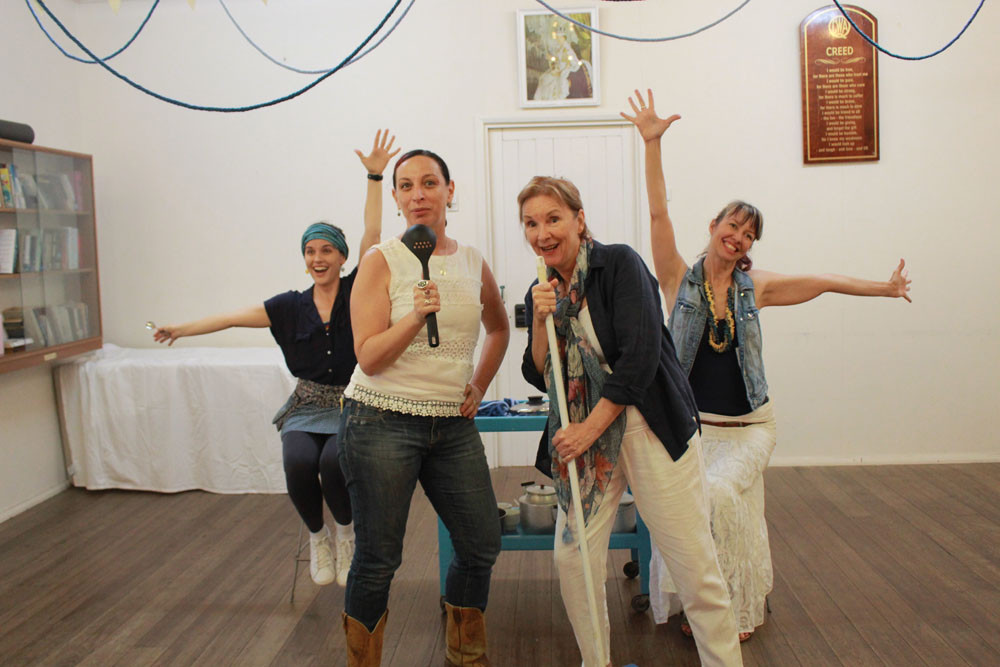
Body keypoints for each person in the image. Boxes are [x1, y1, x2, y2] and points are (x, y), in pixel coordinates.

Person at [622, 88, 912, 642]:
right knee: (696, 507)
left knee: (723, 496)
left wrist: (885, 288)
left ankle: (730, 607)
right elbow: (658, 210)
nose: (738, 237)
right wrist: (652, 144)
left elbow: (826, 280)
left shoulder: (759, 288)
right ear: (713, 226)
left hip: (752, 428)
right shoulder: (677, 278)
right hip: (695, 430)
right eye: (732, 226)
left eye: (749, 233)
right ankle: (699, 601)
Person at [152, 130, 399, 589]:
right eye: (310, 251)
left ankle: (347, 534)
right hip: (307, 405)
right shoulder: (287, 306)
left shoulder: (357, 290)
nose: (317, 258)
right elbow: (230, 317)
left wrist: (374, 175)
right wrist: (180, 329)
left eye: (326, 250)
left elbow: (373, 233)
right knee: (299, 461)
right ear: (304, 260)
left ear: (343, 258)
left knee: (332, 464)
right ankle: (318, 538)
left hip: (352, 402)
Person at [519, 175, 743, 667]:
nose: (542, 232)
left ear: (579, 220)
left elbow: (640, 359)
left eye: (553, 218)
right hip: (590, 439)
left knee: (692, 565)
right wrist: (540, 320)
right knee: (572, 560)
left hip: (647, 424)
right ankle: (595, 661)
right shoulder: (544, 287)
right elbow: (539, 372)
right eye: (531, 223)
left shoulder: (619, 263)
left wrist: (586, 430)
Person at [338, 148, 509, 666]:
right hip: (379, 421)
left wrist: (478, 386)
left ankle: (466, 656)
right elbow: (368, 358)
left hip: (451, 426)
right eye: (407, 185)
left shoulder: (473, 261)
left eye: (429, 183)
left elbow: (499, 329)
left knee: (481, 544)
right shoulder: (380, 261)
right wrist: (414, 316)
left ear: (449, 191)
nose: (418, 194)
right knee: (378, 559)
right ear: (394, 198)